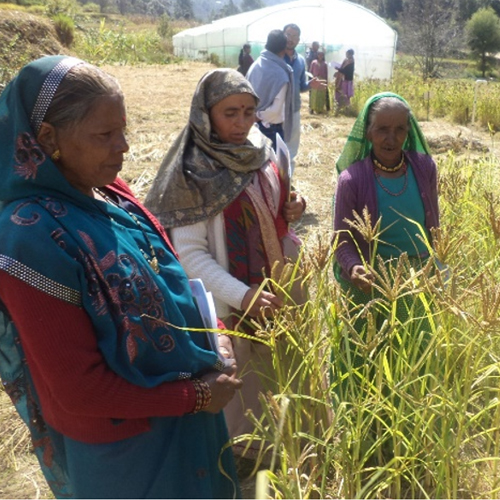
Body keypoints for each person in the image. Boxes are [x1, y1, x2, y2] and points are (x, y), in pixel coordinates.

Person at [0, 55, 243, 499]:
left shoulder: (114, 194)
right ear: (48, 137)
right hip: (131, 452)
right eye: (105, 135)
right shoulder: (28, 237)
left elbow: (173, 281)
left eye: (123, 129)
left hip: (193, 423)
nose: (124, 146)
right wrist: (195, 398)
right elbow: (78, 388)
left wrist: (216, 335)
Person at [144, 68, 306, 459]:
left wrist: (292, 207)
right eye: (229, 112)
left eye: (249, 111)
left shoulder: (261, 153)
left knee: (281, 375)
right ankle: (244, 462)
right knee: (242, 391)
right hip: (229, 306)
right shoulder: (192, 173)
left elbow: (271, 213)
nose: (241, 122)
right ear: (206, 113)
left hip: (275, 292)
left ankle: (288, 449)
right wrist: (243, 294)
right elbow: (188, 254)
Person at [332, 93, 439, 457]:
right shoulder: (352, 180)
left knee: (411, 366)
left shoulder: (424, 168)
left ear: (409, 131)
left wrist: (436, 267)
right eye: (382, 130)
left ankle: (408, 446)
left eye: (398, 130)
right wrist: (354, 268)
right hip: (371, 287)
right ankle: (366, 448)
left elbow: (433, 229)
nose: (390, 139)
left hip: (415, 285)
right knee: (368, 367)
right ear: (369, 132)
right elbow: (342, 242)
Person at [283, 23, 326, 173]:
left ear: (298, 39)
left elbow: (301, 86)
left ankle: (288, 181)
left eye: (294, 36)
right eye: (288, 35)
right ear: (283, 35)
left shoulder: (300, 60)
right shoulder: (275, 58)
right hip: (276, 111)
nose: (291, 39)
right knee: (273, 148)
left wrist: (310, 84)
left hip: (294, 110)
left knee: (291, 150)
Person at [246, 29, 294, 151]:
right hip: (270, 129)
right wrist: (258, 116)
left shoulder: (255, 65)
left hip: (251, 126)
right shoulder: (281, 74)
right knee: (274, 168)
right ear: (283, 49)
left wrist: (252, 116)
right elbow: (274, 110)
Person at [309, 49, 330, 113]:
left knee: (320, 95)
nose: (320, 56)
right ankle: (312, 109)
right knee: (314, 95)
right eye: (319, 54)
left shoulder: (325, 64)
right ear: (317, 55)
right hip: (315, 79)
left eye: (322, 55)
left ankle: (319, 109)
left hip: (322, 80)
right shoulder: (314, 62)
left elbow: (326, 73)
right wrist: (311, 79)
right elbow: (311, 71)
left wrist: (326, 81)